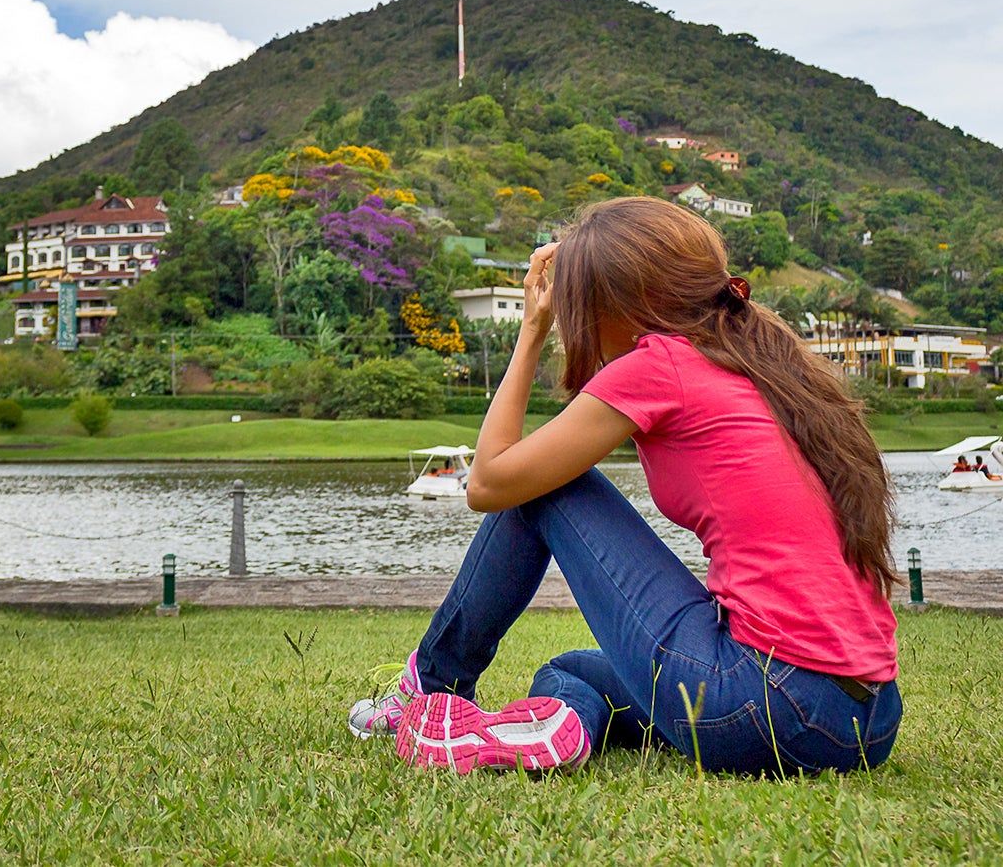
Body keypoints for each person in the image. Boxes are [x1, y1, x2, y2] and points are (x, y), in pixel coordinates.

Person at [347, 197, 900, 776]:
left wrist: (531, 331)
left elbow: (489, 482)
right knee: (572, 672)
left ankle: (431, 686)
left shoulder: (662, 365)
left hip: (766, 704)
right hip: (865, 720)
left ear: (617, 304)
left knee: (543, 486)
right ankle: (557, 726)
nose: (572, 320)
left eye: (578, 306)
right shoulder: (757, 363)